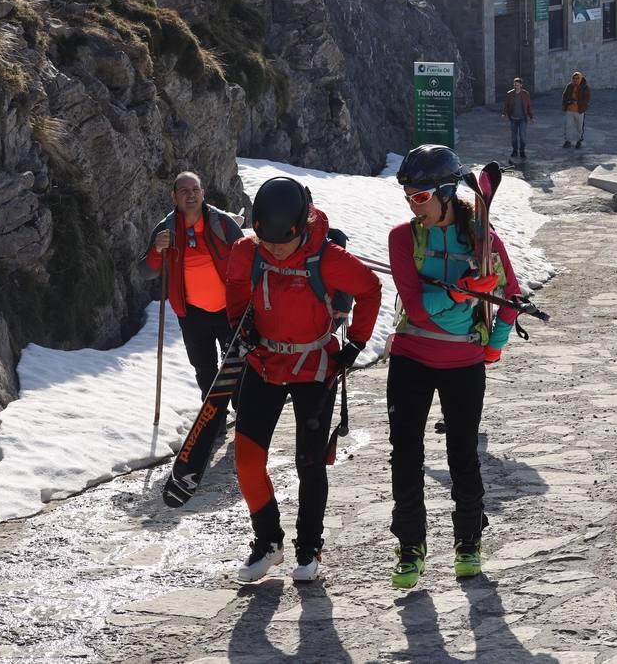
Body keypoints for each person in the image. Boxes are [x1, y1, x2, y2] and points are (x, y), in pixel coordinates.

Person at [225, 176, 382, 583]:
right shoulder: (248, 252)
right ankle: (268, 542)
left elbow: (370, 289)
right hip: (263, 363)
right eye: (266, 241)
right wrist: (240, 326)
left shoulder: (327, 258)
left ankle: (308, 548)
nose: (274, 250)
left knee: (308, 463)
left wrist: (356, 344)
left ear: (302, 225)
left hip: (314, 367)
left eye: (282, 242)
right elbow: (237, 284)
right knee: (246, 461)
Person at [386, 145, 522, 589]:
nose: (413, 204)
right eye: (408, 195)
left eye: (421, 196)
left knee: (462, 454)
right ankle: (410, 546)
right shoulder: (401, 238)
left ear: (447, 192)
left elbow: (510, 298)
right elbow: (417, 310)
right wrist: (462, 294)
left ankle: (468, 542)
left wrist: (493, 348)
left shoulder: (483, 238)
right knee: (406, 454)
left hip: (464, 360)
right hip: (411, 356)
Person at [142, 171, 244, 398]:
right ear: (174, 196)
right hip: (191, 314)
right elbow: (147, 272)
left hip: (230, 311)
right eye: (184, 191)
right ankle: (213, 423)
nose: (191, 195)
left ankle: (242, 418)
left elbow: (249, 259)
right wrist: (158, 250)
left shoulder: (222, 224)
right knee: (204, 370)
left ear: (203, 193)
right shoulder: (166, 229)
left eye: (195, 190)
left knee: (237, 367)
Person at [501, 77, 534, 160]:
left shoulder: (525, 94)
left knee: (522, 136)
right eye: (515, 85)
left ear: (521, 85)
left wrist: (531, 116)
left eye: (518, 85)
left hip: (522, 118)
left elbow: (529, 106)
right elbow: (506, 105)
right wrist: (504, 113)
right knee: (514, 137)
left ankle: (522, 151)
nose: (516, 86)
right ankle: (515, 150)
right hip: (513, 118)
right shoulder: (510, 94)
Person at [561, 71, 591, 149]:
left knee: (579, 127)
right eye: (574, 78)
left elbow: (587, 99)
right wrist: (566, 103)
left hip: (579, 110)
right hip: (570, 110)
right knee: (568, 126)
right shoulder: (569, 86)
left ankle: (579, 141)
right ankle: (568, 141)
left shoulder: (585, 87)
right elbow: (564, 95)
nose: (575, 80)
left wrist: (578, 102)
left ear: (580, 79)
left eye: (577, 78)